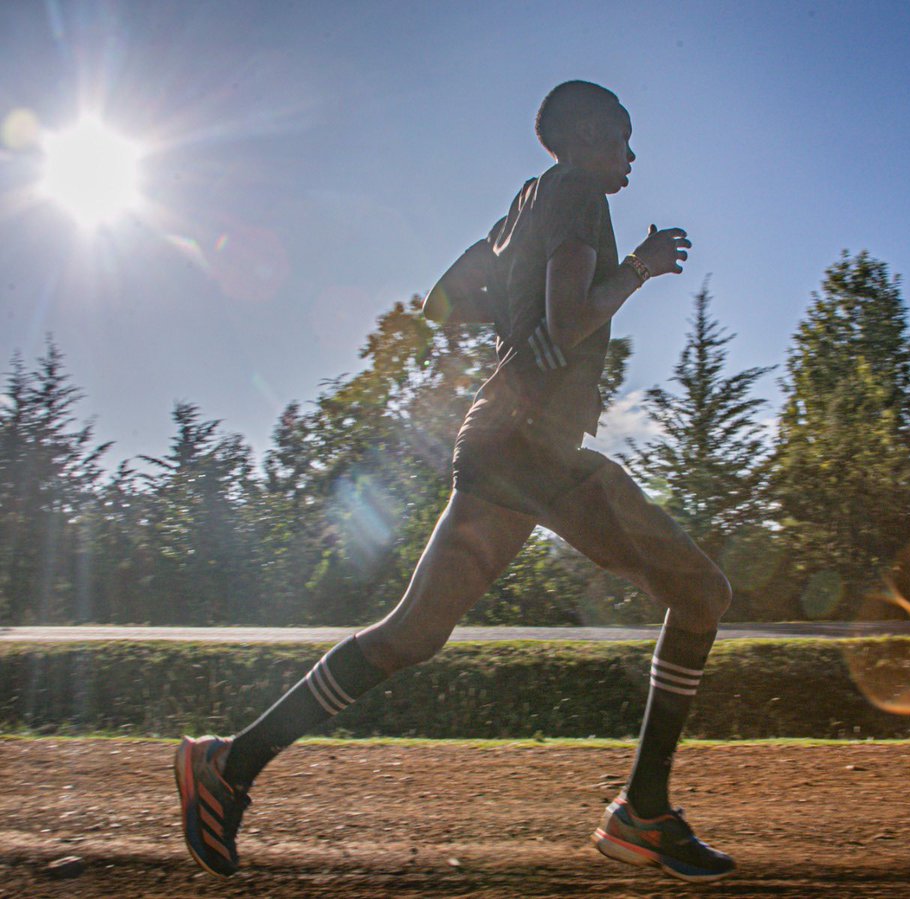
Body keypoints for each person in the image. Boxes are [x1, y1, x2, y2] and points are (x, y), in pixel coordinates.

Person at [174, 80, 735, 884]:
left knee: (411, 634)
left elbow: (443, 300)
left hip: (509, 445)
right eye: (621, 139)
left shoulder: (521, 206)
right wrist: (637, 271)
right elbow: (573, 316)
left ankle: (229, 764)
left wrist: (522, 330)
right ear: (583, 137)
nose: (630, 156)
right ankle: (642, 813)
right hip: (534, 450)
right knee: (702, 591)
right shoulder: (576, 190)